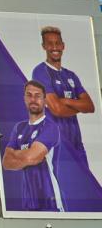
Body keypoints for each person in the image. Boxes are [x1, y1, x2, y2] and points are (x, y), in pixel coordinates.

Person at [31, 26, 94, 167]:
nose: (54, 47)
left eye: (57, 43)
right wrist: (78, 105)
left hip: (77, 144)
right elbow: (57, 110)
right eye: (50, 43)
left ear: (63, 46)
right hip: (59, 146)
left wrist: (66, 101)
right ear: (44, 46)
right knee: (67, 187)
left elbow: (90, 106)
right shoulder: (40, 71)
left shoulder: (71, 75)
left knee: (86, 188)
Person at [2, 80, 65, 211]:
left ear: (45, 100)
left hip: (50, 200)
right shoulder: (19, 128)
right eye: (29, 95)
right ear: (24, 98)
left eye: (38, 96)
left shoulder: (50, 127)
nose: (33, 99)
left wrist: (17, 155)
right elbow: (6, 162)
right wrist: (27, 155)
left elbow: (31, 158)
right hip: (29, 202)